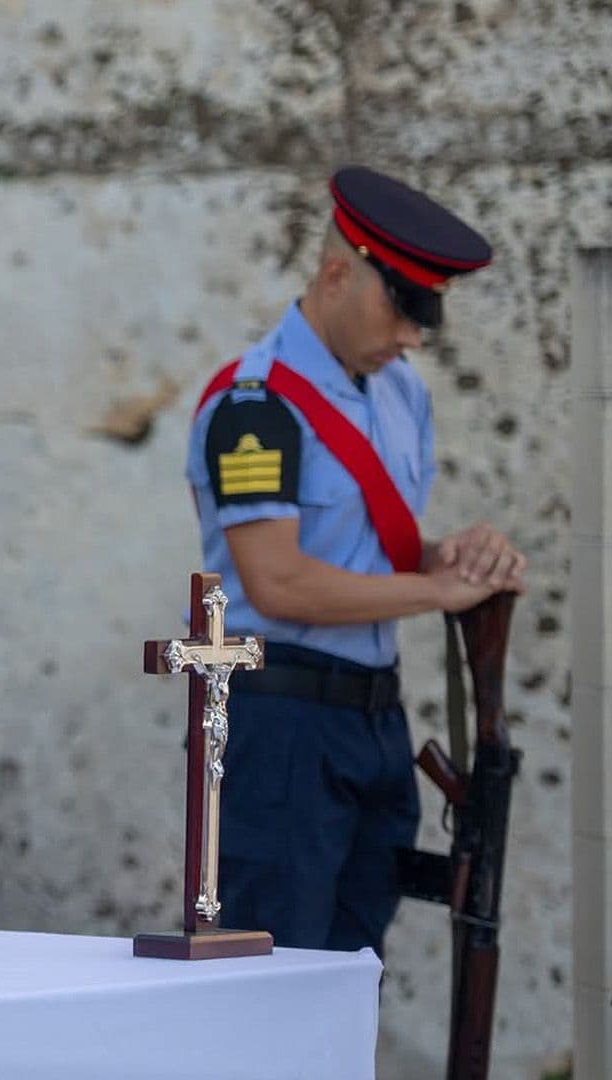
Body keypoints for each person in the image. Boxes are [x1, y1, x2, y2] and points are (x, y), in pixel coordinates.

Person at [185, 166, 526, 954]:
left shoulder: (400, 392)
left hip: (373, 719)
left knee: (350, 976)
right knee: (268, 979)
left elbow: (370, 551)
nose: (413, 334)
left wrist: (460, 559)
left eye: (425, 315)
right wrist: (434, 589)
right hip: (281, 723)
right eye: (402, 307)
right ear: (337, 275)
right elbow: (278, 581)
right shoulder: (254, 407)